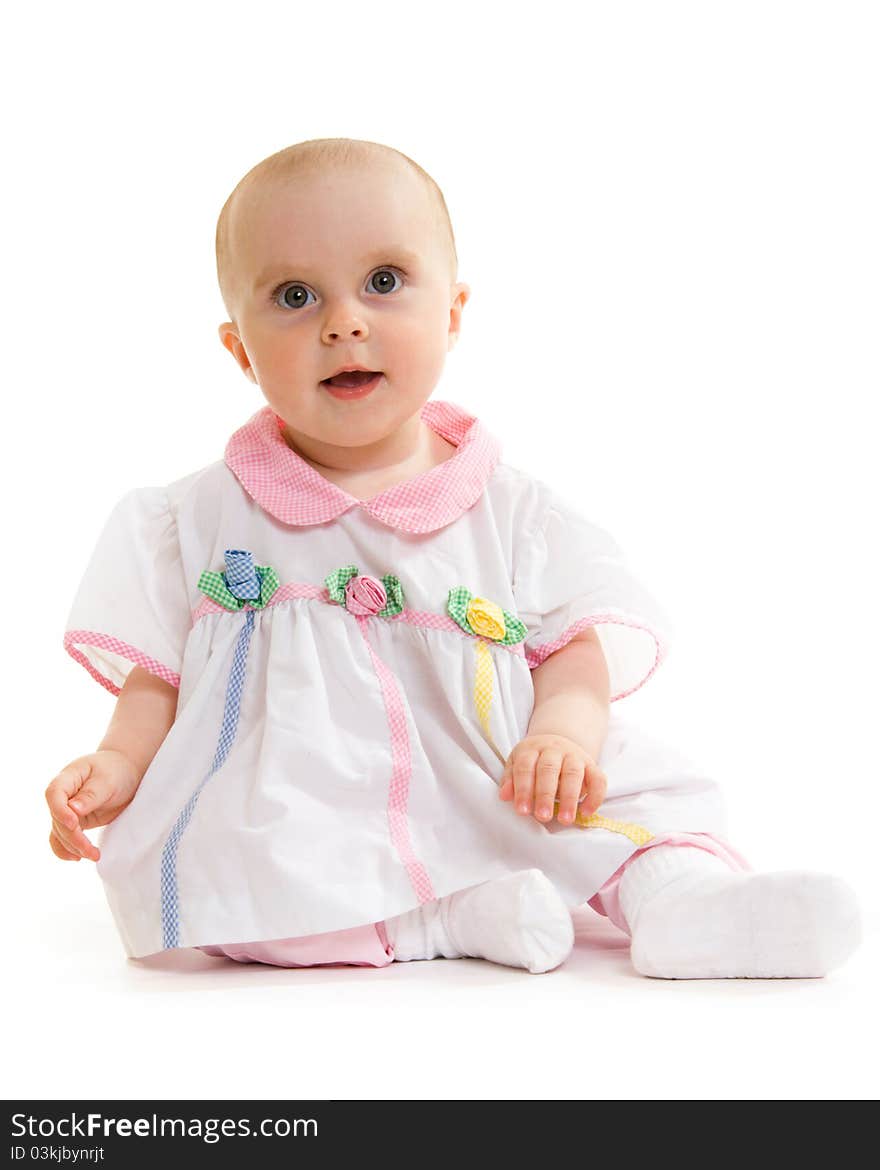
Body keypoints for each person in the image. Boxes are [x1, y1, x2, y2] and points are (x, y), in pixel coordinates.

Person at [47, 137, 861, 979]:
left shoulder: (514, 509)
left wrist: (560, 735)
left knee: (628, 791)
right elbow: (160, 684)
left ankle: (681, 901)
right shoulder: (193, 518)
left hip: (495, 770)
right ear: (240, 349)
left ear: (453, 312)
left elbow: (575, 648)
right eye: (295, 296)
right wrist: (116, 764)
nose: (344, 321)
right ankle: (438, 919)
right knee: (217, 866)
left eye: (385, 282)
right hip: (294, 791)